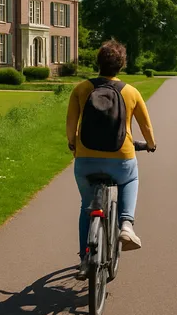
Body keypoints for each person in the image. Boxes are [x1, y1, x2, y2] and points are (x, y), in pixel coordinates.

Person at [66, 39, 157, 280]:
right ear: (122, 65)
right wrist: (150, 144)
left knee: (87, 206)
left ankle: (85, 259)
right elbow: (146, 126)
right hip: (121, 158)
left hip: (85, 159)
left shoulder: (81, 89)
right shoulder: (131, 92)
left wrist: (73, 144)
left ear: (98, 63)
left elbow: (71, 124)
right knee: (131, 179)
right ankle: (126, 225)